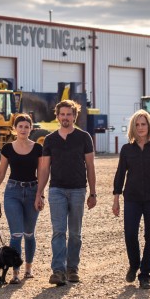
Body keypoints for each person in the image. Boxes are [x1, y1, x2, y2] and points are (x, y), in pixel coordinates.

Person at [34, 99, 97, 286]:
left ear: (74, 116)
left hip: (78, 190)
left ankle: (72, 269)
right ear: (57, 116)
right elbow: (44, 169)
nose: (65, 117)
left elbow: (90, 167)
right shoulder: (50, 139)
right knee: (58, 232)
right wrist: (40, 193)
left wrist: (93, 193)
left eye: (69, 114)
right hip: (56, 190)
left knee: (75, 233)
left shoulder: (84, 137)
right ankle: (58, 271)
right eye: (62, 114)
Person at [112, 110, 150, 290]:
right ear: (133, 128)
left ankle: (145, 274)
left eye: (143, 124)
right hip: (132, 198)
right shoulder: (127, 149)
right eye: (137, 125)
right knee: (130, 233)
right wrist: (116, 198)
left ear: (149, 126)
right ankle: (134, 263)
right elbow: (120, 174)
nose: (140, 128)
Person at [0, 113, 42, 284]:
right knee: (16, 234)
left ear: (31, 128)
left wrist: (40, 194)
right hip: (12, 192)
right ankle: (15, 273)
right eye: (20, 126)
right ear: (15, 128)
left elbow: (42, 173)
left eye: (27, 126)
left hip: (32, 191)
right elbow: (1, 172)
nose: (24, 129)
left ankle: (28, 269)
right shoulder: (7, 149)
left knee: (29, 234)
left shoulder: (38, 149)